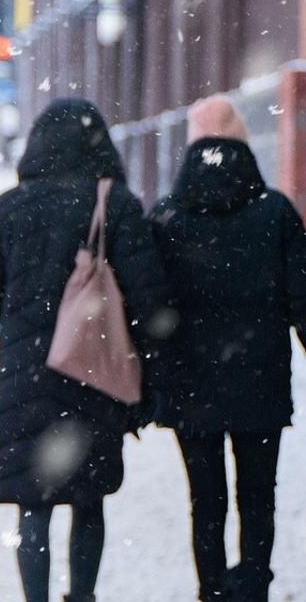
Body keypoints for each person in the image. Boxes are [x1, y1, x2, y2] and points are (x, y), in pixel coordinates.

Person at [0, 98, 168, 602]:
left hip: (27, 376)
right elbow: (148, 298)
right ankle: (83, 596)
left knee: (34, 503)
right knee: (89, 499)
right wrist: (153, 378)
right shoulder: (113, 203)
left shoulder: (9, 207)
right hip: (96, 370)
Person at [149, 96, 306, 602]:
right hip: (259, 376)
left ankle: (212, 588)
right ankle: (254, 583)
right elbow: (301, 296)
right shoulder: (275, 211)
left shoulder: (169, 215)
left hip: (191, 379)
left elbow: (151, 303)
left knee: (206, 497)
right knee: (259, 494)